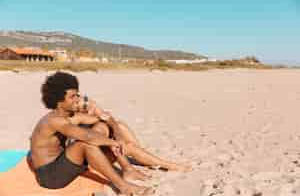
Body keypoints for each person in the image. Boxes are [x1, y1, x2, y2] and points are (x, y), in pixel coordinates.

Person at [28, 71, 190, 195]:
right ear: (58, 100)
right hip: (50, 176)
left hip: (65, 164)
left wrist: (115, 133)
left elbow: (104, 117)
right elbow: (87, 137)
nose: (77, 99)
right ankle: (124, 187)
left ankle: (145, 167)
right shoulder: (53, 120)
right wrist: (114, 142)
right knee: (85, 144)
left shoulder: (72, 116)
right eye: (72, 97)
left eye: (77, 94)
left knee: (103, 127)